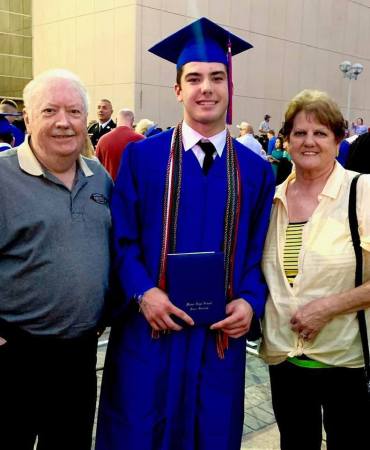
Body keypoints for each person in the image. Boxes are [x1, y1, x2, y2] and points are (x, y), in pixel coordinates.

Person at [96, 17, 275, 450]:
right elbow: (122, 240)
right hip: (150, 333)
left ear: (229, 89)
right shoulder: (143, 159)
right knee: (139, 431)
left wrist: (250, 304)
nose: (206, 88)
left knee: (210, 433)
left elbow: (257, 252)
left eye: (217, 77)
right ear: (178, 90)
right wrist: (143, 293)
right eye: (193, 78)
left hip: (218, 337)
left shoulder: (256, 171)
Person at [0, 69, 113, 450]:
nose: (64, 122)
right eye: (49, 111)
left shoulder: (98, 177)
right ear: (27, 118)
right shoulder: (2, 177)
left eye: (74, 111)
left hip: (78, 355)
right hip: (15, 356)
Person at [260, 89, 370, 450]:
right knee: (295, 443)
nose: (309, 142)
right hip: (284, 360)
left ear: (338, 141)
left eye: (321, 133)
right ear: (286, 141)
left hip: (346, 361)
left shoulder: (362, 191)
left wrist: (327, 307)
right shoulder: (271, 200)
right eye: (300, 133)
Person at [96, 109, 144, 180]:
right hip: (133, 188)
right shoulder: (141, 140)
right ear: (132, 121)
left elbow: (97, 167)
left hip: (109, 188)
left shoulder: (103, 140)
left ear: (116, 120)